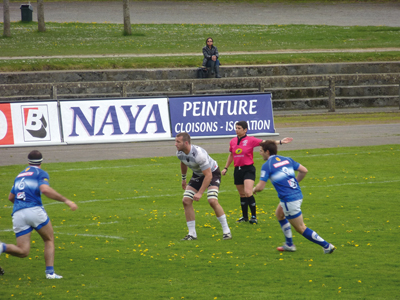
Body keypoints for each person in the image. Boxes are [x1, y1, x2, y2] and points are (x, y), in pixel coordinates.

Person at [0, 150, 78, 279]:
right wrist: (66, 200)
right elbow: (45, 189)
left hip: (18, 213)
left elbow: (10, 197)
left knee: (23, 251)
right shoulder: (40, 173)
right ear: (41, 161)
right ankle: (50, 273)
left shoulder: (19, 175)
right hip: (34, 210)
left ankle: (1, 247)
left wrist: (22, 208)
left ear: (28, 161)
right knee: (49, 239)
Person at [253, 140, 335, 254]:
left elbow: (260, 187)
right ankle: (289, 244)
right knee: (279, 214)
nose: (260, 153)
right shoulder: (287, 159)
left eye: (261, 151)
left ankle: (327, 246)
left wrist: (254, 189)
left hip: (289, 199)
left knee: (300, 228)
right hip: (297, 194)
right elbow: (304, 170)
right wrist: (294, 182)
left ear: (267, 151)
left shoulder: (267, 166)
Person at [221, 121, 293, 224]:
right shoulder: (232, 141)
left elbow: (266, 142)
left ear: (245, 130)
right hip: (238, 170)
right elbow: (231, 155)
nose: (236, 130)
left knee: (248, 192)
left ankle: (254, 216)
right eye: (236, 128)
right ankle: (245, 217)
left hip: (248, 169)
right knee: (242, 194)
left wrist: (280, 142)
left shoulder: (251, 140)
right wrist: (225, 168)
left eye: (239, 128)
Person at [175, 132, 231, 240]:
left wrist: (200, 193)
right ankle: (192, 234)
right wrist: (183, 178)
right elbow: (183, 162)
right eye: (175, 141)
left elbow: (208, 175)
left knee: (212, 200)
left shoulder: (199, 154)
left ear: (186, 143)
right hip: (198, 174)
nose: (175, 144)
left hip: (212, 173)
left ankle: (226, 231)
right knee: (186, 200)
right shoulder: (179, 152)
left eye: (178, 142)